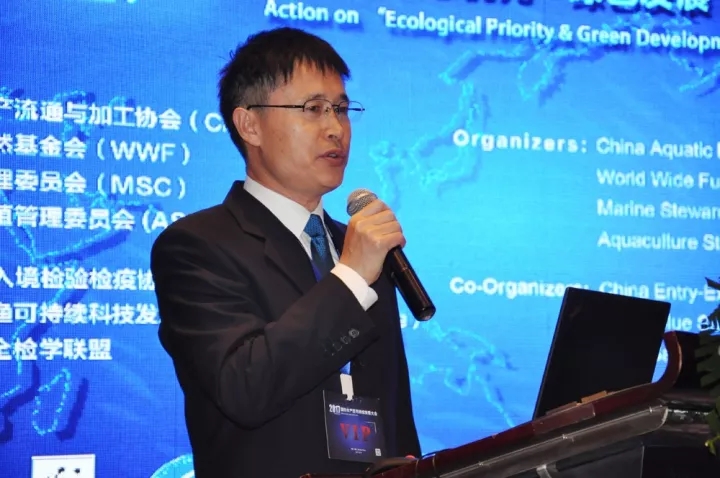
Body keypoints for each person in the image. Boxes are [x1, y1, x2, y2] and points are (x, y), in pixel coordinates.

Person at [150, 26, 421, 478]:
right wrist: (351, 277)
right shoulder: (197, 246)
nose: (335, 128)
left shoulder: (356, 247)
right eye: (313, 109)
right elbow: (244, 387)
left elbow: (395, 412)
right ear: (249, 125)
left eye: (341, 109)